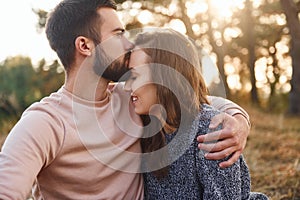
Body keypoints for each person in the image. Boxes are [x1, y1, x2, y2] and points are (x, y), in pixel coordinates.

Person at [0, 0, 250, 199]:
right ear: (85, 46)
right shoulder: (45, 122)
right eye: (118, 34)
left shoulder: (129, 97)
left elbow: (190, 98)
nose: (129, 42)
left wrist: (238, 120)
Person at [124, 28, 268, 199]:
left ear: (164, 77)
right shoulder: (150, 128)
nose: (126, 87)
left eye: (134, 75)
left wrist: (240, 118)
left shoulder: (210, 130)